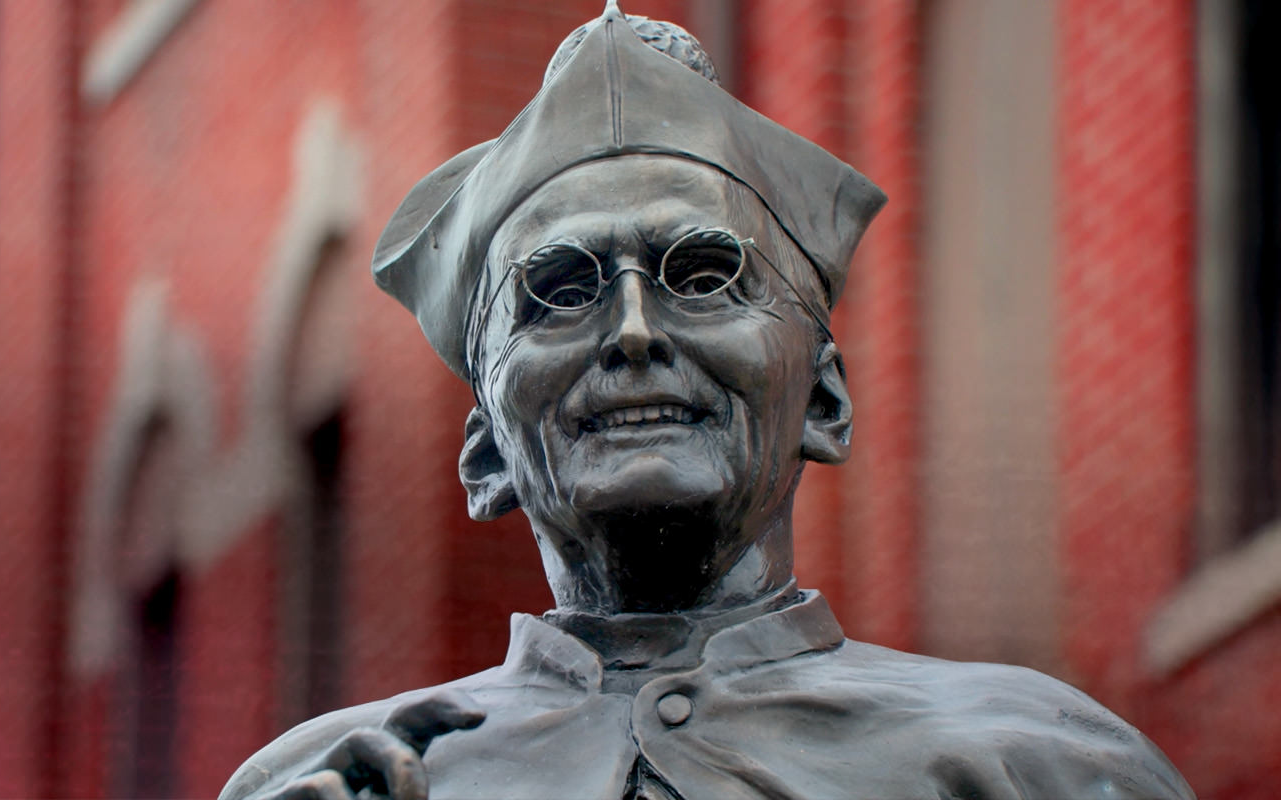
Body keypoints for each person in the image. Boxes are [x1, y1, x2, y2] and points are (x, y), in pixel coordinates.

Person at [219, 4, 1195, 799]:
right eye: (559, 293)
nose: (632, 328)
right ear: (485, 454)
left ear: (824, 399)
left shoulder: (1046, 763)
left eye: (703, 277)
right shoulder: (327, 784)